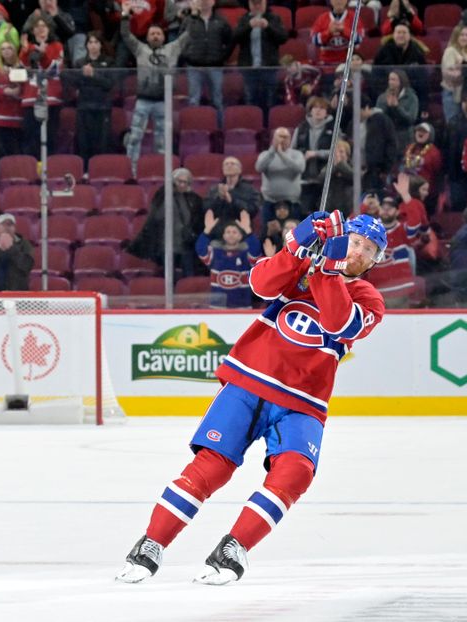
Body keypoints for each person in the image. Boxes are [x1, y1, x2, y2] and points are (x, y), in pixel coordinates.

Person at [115, 210, 387, 585]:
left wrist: (328, 272)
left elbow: (340, 324)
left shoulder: (369, 299)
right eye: (354, 241)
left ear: (374, 262)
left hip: (303, 402)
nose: (358, 251)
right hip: (248, 382)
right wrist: (297, 245)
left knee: (295, 474)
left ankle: (234, 546)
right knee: (211, 467)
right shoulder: (305, 265)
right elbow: (260, 283)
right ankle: (151, 544)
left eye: (368, 249)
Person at [121, 4, 189, 174]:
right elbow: (125, 35)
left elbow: (189, 36)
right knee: (135, 138)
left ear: (164, 36)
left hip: (163, 102)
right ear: (147, 36)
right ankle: (131, 171)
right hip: (143, 100)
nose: (155, 36)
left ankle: (161, 172)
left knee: (162, 141)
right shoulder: (139, 49)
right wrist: (125, 17)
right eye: (152, 33)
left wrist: (191, 18)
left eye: (158, 33)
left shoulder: (172, 49)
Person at [126, 167, 204, 277]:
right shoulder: (163, 196)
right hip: (167, 243)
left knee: (189, 274)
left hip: (186, 243)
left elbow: (198, 220)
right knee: (168, 277)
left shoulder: (195, 199)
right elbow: (157, 216)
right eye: (179, 181)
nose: (182, 185)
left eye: (185, 182)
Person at [179, 0, 233, 127]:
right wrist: (188, 56)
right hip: (194, 66)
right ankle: (193, 129)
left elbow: (230, 41)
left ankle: (219, 130)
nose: (204, 2)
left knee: (217, 101)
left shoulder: (221, 21)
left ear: (213, 2)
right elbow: (181, 40)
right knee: (193, 101)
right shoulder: (189, 20)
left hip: (215, 66)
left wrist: (222, 57)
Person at [233, 0, 289, 116]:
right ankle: (253, 124)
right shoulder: (244, 19)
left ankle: (269, 127)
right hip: (249, 68)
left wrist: (268, 27)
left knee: (271, 100)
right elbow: (235, 37)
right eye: (254, 4)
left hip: (269, 68)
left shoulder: (273, 18)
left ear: (265, 3)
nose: (257, 6)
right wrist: (248, 26)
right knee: (250, 99)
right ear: (249, 4)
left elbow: (283, 37)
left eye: (260, 3)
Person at [18, 17, 64, 158]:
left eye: (44, 26)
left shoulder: (57, 46)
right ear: (32, 31)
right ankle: (32, 172)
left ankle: (49, 170)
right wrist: (26, 52)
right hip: (30, 98)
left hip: (50, 99)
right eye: (37, 26)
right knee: (30, 138)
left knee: (50, 137)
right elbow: (23, 71)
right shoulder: (27, 48)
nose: (40, 29)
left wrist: (43, 56)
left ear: (49, 29)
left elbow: (54, 71)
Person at [196, 211, 262, 309]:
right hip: (217, 308)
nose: (231, 235)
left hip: (242, 308)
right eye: (228, 232)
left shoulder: (246, 254)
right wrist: (207, 230)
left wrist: (248, 231)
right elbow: (200, 249)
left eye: (234, 232)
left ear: (240, 236)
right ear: (223, 236)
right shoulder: (215, 253)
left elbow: (256, 250)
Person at [71, 32, 114, 160]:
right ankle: (85, 171)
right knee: (84, 141)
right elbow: (76, 82)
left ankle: (100, 169)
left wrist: (93, 75)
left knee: (102, 141)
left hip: (102, 107)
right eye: (90, 42)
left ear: (101, 45)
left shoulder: (109, 62)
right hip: (84, 106)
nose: (93, 45)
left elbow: (109, 84)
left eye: (96, 42)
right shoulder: (80, 63)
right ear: (86, 45)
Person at [292, 96, 334, 215]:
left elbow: (338, 152)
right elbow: (292, 151)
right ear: (310, 110)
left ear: (327, 112)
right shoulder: (301, 128)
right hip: (304, 179)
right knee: (305, 213)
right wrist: (301, 157)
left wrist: (316, 154)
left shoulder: (334, 129)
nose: (318, 110)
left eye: (322, 108)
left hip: (326, 180)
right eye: (315, 107)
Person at [255, 127, 306, 227]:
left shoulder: (297, 154)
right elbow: (259, 168)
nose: (282, 140)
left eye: (285, 137)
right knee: (268, 235)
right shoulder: (265, 155)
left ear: (290, 140)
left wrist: (281, 154)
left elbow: (299, 168)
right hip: (270, 202)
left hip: (292, 203)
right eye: (280, 137)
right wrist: (272, 152)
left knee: (294, 237)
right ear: (273, 139)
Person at [204, 156, 262, 238]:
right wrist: (219, 199)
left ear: (240, 170)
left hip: (241, 232)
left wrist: (232, 201)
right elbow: (206, 208)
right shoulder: (214, 189)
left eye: (232, 164)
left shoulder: (250, 189)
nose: (229, 166)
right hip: (218, 232)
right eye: (226, 164)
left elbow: (253, 210)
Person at [372, 21, 427, 106]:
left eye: (404, 33)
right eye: (398, 32)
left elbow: (423, 79)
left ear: (409, 36)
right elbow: (376, 76)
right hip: (387, 91)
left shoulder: (417, 52)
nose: (401, 35)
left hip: (411, 95)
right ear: (393, 35)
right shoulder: (383, 51)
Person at [353, 95, 398, 193]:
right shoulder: (357, 123)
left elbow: (391, 144)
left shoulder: (382, 120)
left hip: (376, 170)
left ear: (366, 107)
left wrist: (386, 168)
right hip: (361, 169)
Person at [445, 91, 467, 211]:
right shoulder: (453, 123)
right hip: (457, 175)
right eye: (465, 100)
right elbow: (445, 148)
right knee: (458, 208)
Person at [0, 41, 24, 158]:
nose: (6, 51)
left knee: (16, 148)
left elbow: (24, 89)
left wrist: (17, 93)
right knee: (1, 149)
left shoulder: (21, 67)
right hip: (0, 116)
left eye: (9, 48)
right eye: (3, 49)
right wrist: (4, 91)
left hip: (17, 115)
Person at [441, 24, 467, 122]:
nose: (465, 38)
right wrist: (463, 68)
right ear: (456, 36)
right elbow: (447, 73)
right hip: (452, 93)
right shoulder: (450, 51)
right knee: (453, 123)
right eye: (462, 35)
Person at [375, 69, 419, 154]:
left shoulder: (411, 97)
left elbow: (411, 119)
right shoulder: (382, 98)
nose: (391, 82)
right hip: (387, 137)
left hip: (405, 138)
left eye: (394, 79)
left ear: (401, 81)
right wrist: (387, 107)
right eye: (390, 79)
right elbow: (378, 118)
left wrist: (397, 107)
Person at [0, 213, 34, 291]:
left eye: (10, 225)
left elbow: (27, 265)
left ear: (14, 228)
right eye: (3, 225)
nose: (7, 228)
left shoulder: (24, 245)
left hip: (18, 293)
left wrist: (11, 249)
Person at [310, 0, 365, 67]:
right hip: (327, 63)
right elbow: (314, 40)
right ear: (330, 1)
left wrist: (344, 30)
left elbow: (359, 39)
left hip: (349, 64)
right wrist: (329, 32)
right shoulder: (322, 18)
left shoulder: (354, 17)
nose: (339, 1)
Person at [402, 122, 442, 212]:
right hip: (408, 190)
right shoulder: (409, 148)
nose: (420, 133)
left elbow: (437, 169)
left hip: (425, 192)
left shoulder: (434, 151)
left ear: (430, 135)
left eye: (424, 131)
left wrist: (423, 162)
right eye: (418, 130)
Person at [316, 139, 354, 217]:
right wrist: (334, 166)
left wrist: (340, 164)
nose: (338, 155)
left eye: (341, 152)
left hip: (347, 206)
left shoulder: (352, 166)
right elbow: (321, 178)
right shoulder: (329, 166)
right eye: (335, 152)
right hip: (330, 206)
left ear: (347, 154)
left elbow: (354, 177)